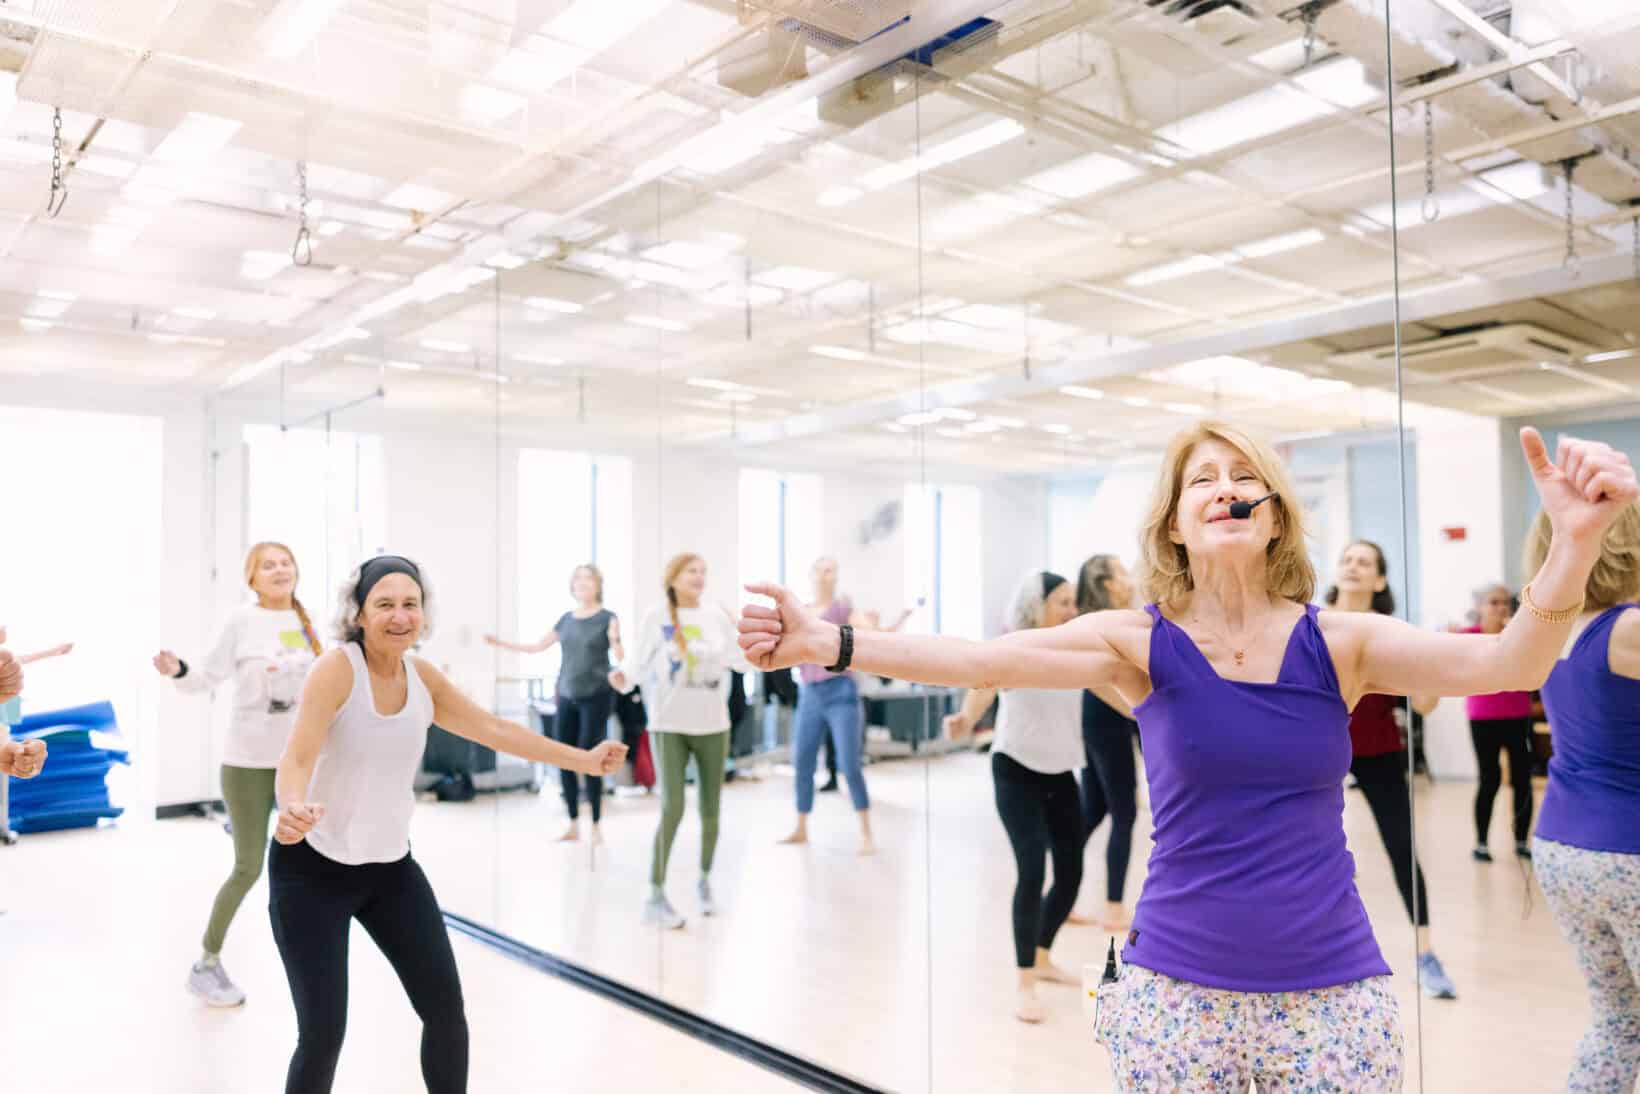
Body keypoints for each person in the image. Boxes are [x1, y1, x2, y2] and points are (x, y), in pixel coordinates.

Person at [738, 421, 1635, 1089]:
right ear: (1174, 522)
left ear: (1274, 517)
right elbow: (981, 659)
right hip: (1175, 994)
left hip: (1332, 995)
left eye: (1246, 477)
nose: (1225, 488)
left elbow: (1509, 663)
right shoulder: (1137, 642)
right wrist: (829, 642)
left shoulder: (1341, 641)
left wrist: (1574, 544)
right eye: (1203, 479)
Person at [272, 554, 623, 1094]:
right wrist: (292, 807)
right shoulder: (337, 670)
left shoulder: (423, 678)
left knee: (445, 1013)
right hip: (311, 871)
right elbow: (297, 757)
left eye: (410, 604)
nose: (399, 616)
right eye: (384, 604)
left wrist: (584, 760)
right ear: (358, 613)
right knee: (322, 1035)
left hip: (390, 871)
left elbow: (494, 730)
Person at [153, 542, 323, 1008]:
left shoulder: (310, 623)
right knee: (249, 867)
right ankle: (206, 964)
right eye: (268, 565)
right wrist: (178, 669)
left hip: (299, 764)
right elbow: (205, 677)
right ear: (252, 578)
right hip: (247, 764)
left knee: (315, 865)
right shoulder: (241, 621)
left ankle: (315, 964)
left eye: (285, 562)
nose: (279, 570)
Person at [1525, 501, 1640, 1092]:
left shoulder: (1556, 626)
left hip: (1563, 847)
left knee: (1618, 1021)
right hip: (1628, 850)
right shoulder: (1629, 626)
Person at [943, 570, 1085, 1024]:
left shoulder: (1079, 650)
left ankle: (1042, 956)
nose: (1072, 610)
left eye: (1074, 601)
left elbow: (1113, 689)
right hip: (1016, 770)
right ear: (1036, 606)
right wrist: (966, 720)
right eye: (1062, 602)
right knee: (1032, 868)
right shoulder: (1015, 647)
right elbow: (984, 684)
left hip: (1062, 772)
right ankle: (1025, 982)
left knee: (1071, 874)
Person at [1324, 540, 1456, 1000]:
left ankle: (1426, 954)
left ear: (1379, 579)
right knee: (1309, 851)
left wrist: (1433, 662)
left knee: (1401, 846)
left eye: (1364, 562)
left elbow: (1424, 703)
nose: (1353, 567)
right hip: (1318, 750)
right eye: (1347, 559)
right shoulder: (1311, 623)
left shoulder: (1391, 632)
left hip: (1377, 749)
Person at [611, 553, 750, 929]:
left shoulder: (716, 615)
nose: (699, 577)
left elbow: (741, 661)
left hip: (713, 725)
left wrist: (751, 637)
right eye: (692, 571)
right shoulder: (656, 616)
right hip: (668, 725)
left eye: (704, 571)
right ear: (673, 577)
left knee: (710, 810)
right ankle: (654, 895)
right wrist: (623, 678)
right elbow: (637, 664)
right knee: (672, 807)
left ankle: (704, 880)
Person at [485, 563, 624, 844]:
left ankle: (596, 824)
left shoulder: (608, 618)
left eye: (588, 578)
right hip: (567, 695)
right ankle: (573, 823)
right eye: (578, 579)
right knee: (564, 756)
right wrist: (500, 644)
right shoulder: (566, 620)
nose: (583, 583)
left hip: (596, 696)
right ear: (572, 586)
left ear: (598, 585)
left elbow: (620, 656)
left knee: (591, 755)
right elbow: (537, 647)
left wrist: (616, 640)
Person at [779, 557, 875, 854]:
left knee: (849, 764)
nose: (826, 575)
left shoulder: (844, 609)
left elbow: (867, 631)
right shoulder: (802, 612)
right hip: (810, 692)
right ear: (811, 575)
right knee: (803, 761)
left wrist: (867, 622)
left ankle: (866, 832)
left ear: (836, 576)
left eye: (831, 569)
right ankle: (801, 827)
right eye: (821, 569)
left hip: (841, 690)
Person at [1070, 554, 1141, 932]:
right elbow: (1103, 683)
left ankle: (1060, 893)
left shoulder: (1118, 619)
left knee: (1093, 810)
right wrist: (1141, 712)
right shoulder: (1101, 625)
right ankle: (1114, 908)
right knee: (1123, 813)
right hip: (1106, 719)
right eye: (1123, 571)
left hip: (1106, 718)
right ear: (1110, 584)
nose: (1130, 578)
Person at [1463, 582, 1538, 862]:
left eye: (1505, 602)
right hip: (1483, 718)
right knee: (1489, 779)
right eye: (1494, 602)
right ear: (1480, 607)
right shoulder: (1467, 637)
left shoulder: (1519, 636)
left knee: (1522, 780)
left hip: (1518, 716)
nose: (1501, 607)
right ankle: (1481, 843)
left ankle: (1521, 841)